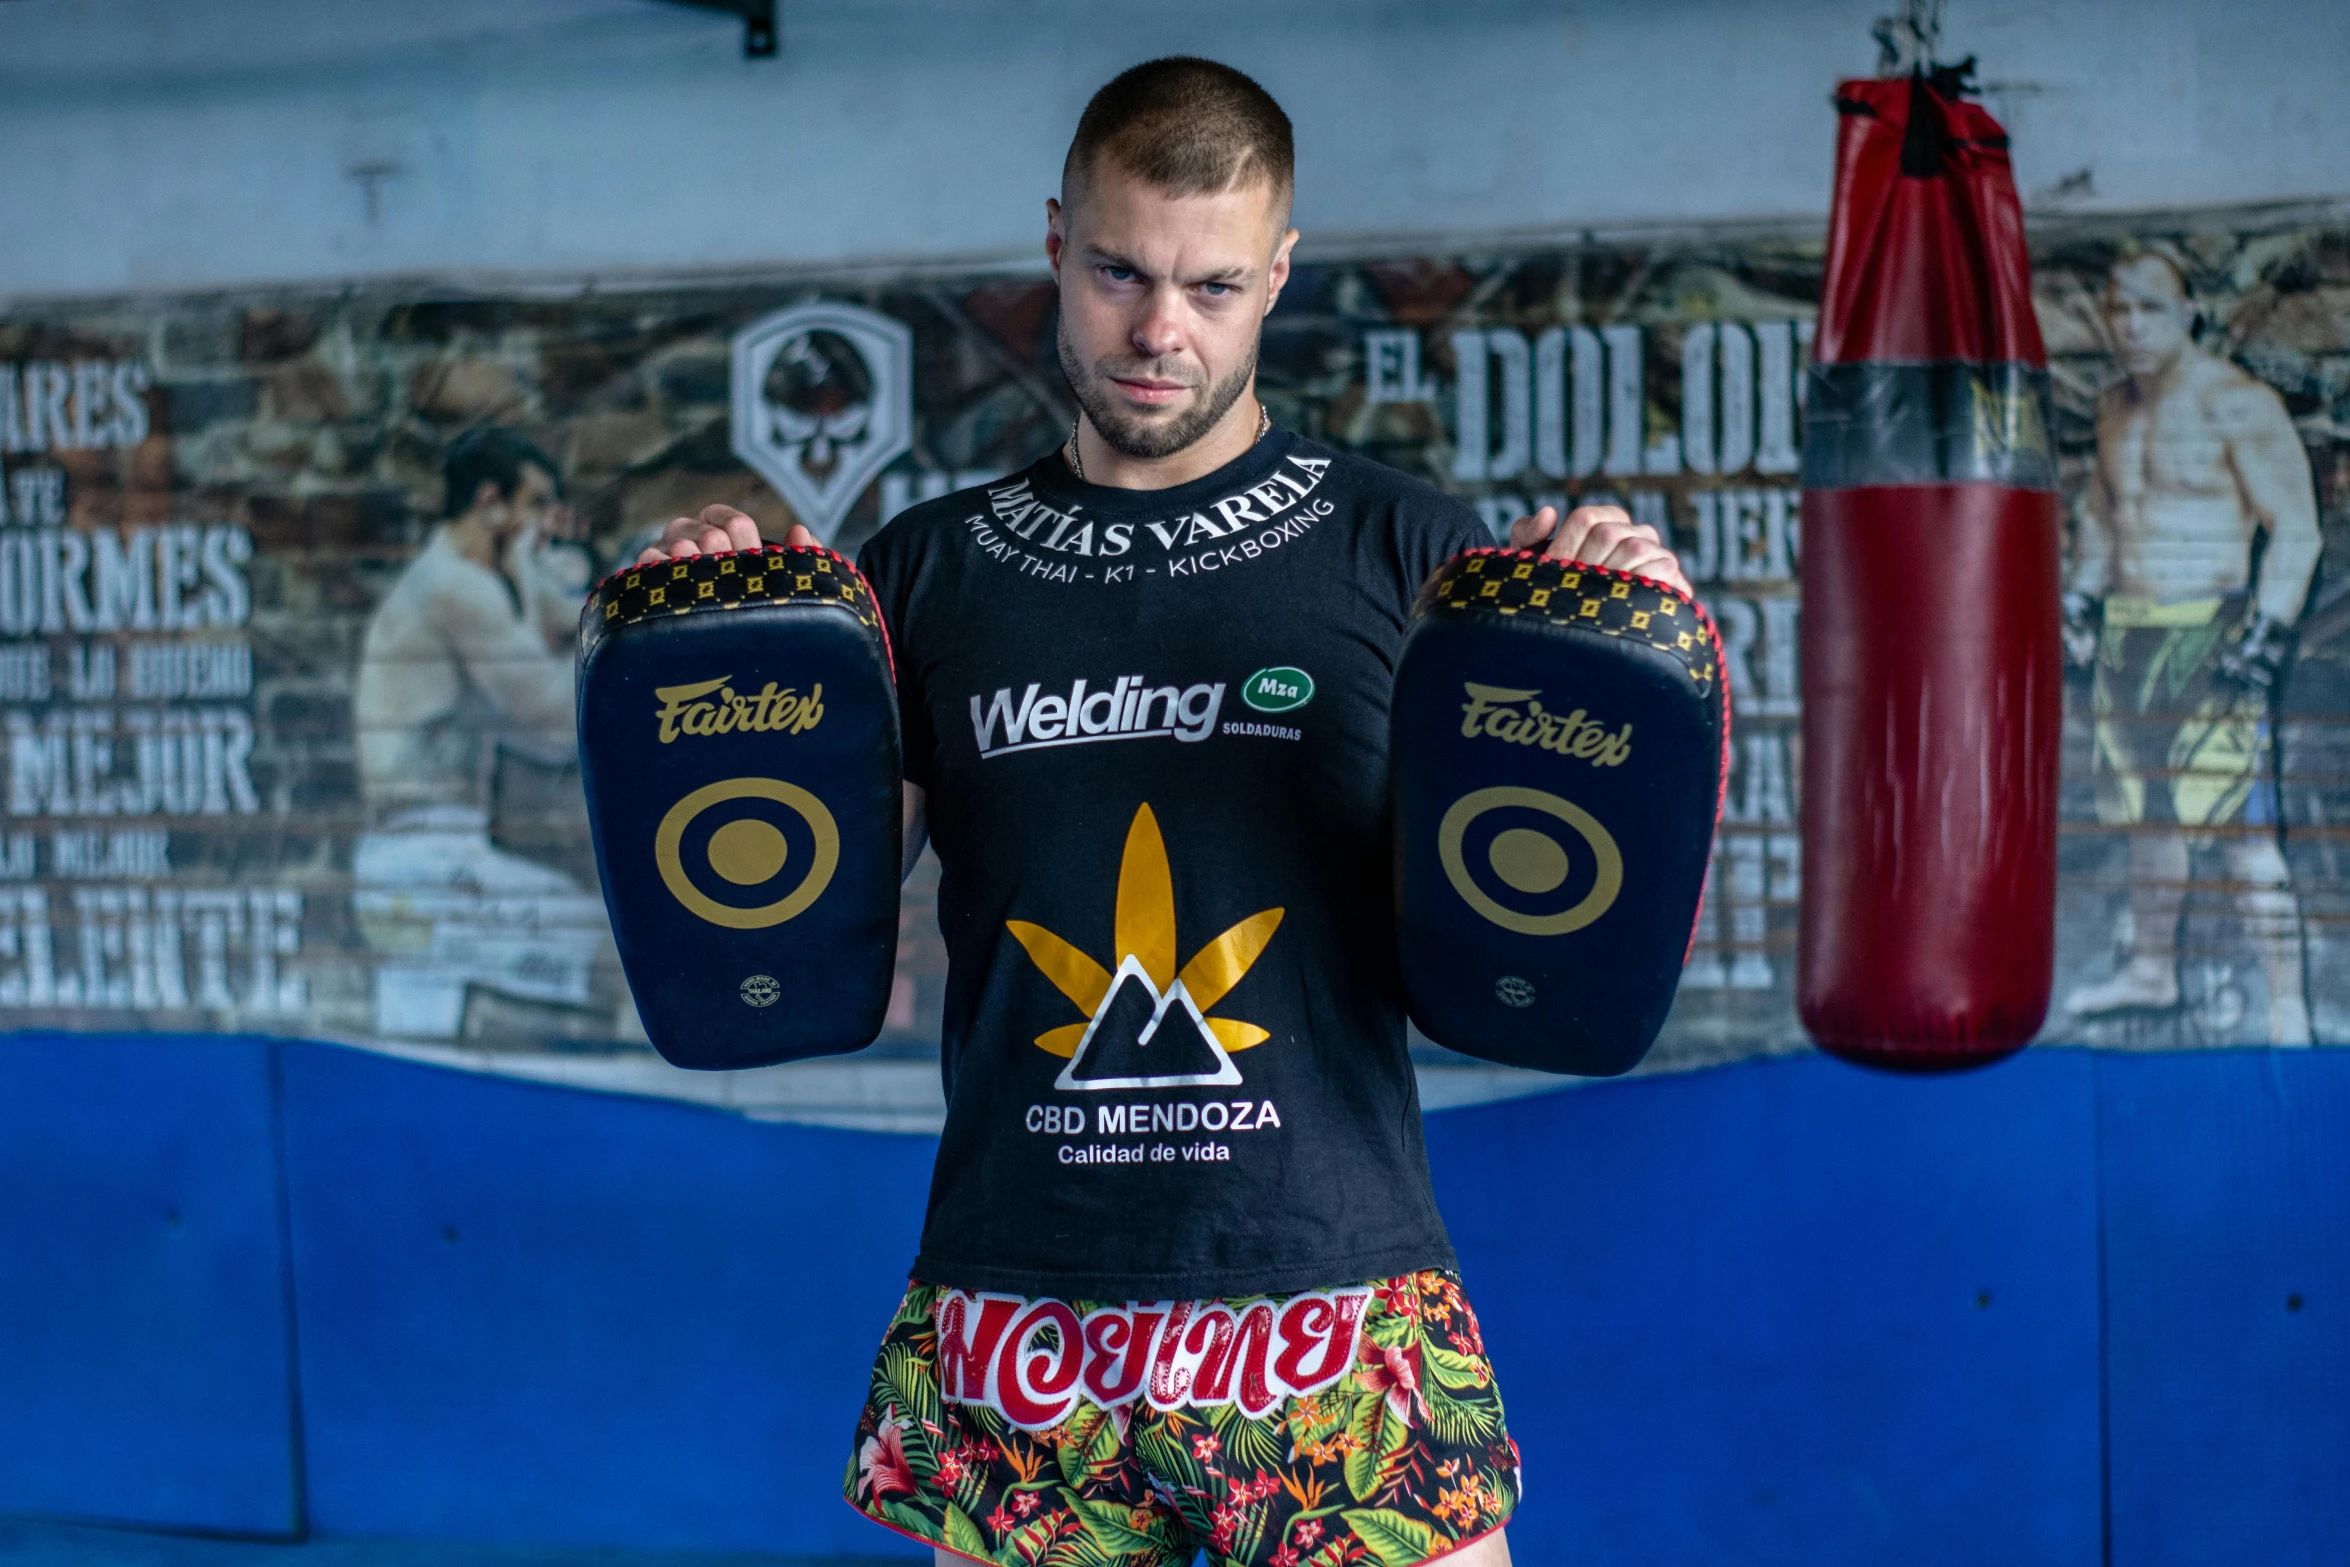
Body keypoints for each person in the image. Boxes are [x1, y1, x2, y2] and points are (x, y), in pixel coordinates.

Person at [641, 60, 1687, 1567]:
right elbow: (802, 928)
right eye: (1121, 270)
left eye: (1210, 284)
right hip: (1026, 1306)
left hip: (1329, 1285)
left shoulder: (1406, 549)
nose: (1158, 329)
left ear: (1277, 275)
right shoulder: (925, 570)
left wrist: (1607, 653)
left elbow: (1533, 919)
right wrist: (720, 663)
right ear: (1056, 243)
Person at [2062, 250, 2322, 1045]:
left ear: (2186, 316)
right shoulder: (2111, 408)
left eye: (2148, 309)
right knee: (2148, 817)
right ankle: (2151, 967)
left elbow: (2298, 530)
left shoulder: (2234, 405)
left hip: (2214, 631)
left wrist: (2265, 638)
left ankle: (2287, 1004)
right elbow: (2104, 522)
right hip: (2129, 635)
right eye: (2118, 310)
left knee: (2241, 828)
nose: (2131, 326)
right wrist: (2078, 597)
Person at [353, 427, 608, 1039]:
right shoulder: (454, 587)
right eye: (536, 505)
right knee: (615, 955)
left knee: (421, 1053)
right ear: (490, 502)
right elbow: (552, 718)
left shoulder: (469, 583)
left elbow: (567, 638)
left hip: (418, 860)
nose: (545, 524)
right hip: (426, 864)